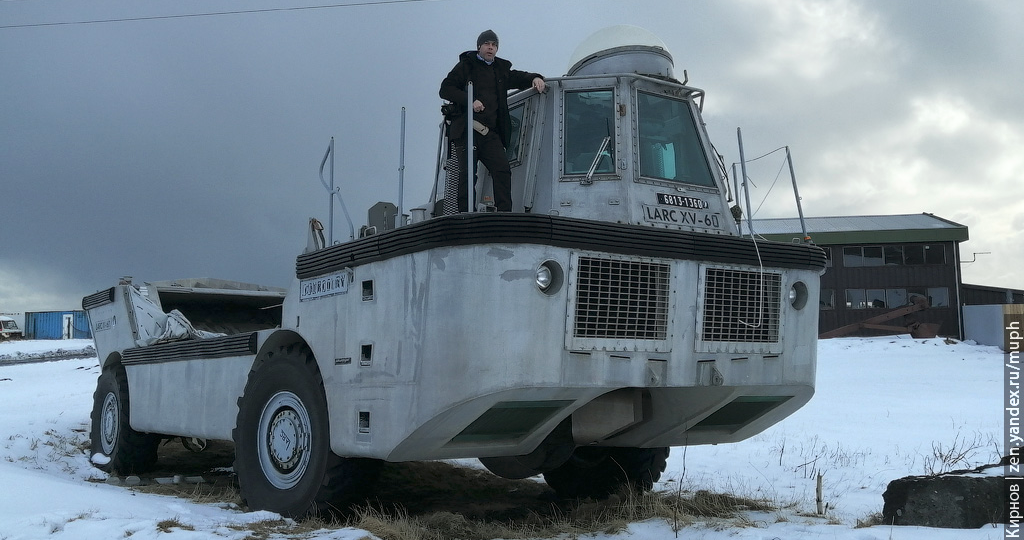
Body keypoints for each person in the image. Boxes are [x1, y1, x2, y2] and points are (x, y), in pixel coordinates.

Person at [439, 29, 545, 213]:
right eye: (487, 44)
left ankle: (505, 214)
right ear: (479, 46)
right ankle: (466, 214)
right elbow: (445, 89)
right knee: (467, 175)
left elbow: (519, 77)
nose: (491, 47)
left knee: (502, 170)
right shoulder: (466, 66)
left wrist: (536, 78)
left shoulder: (500, 70)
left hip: (489, 133)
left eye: (494, 45)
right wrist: (470, 100)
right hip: (467, 130)